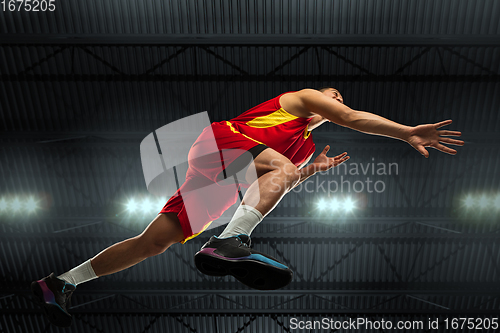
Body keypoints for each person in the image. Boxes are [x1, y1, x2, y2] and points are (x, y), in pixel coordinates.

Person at [31, 87, 464, 327]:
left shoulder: (305, 146)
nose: (338, 100)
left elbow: (274, 180)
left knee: (155, 242)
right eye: (336, 95)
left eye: (339, 98)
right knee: (281, 168)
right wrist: (407, 131)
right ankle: (231, 240)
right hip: (223, 140)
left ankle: (62, 281)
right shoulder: (302, 99)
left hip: (228, 172)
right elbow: (352, 119)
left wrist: (313, 170)